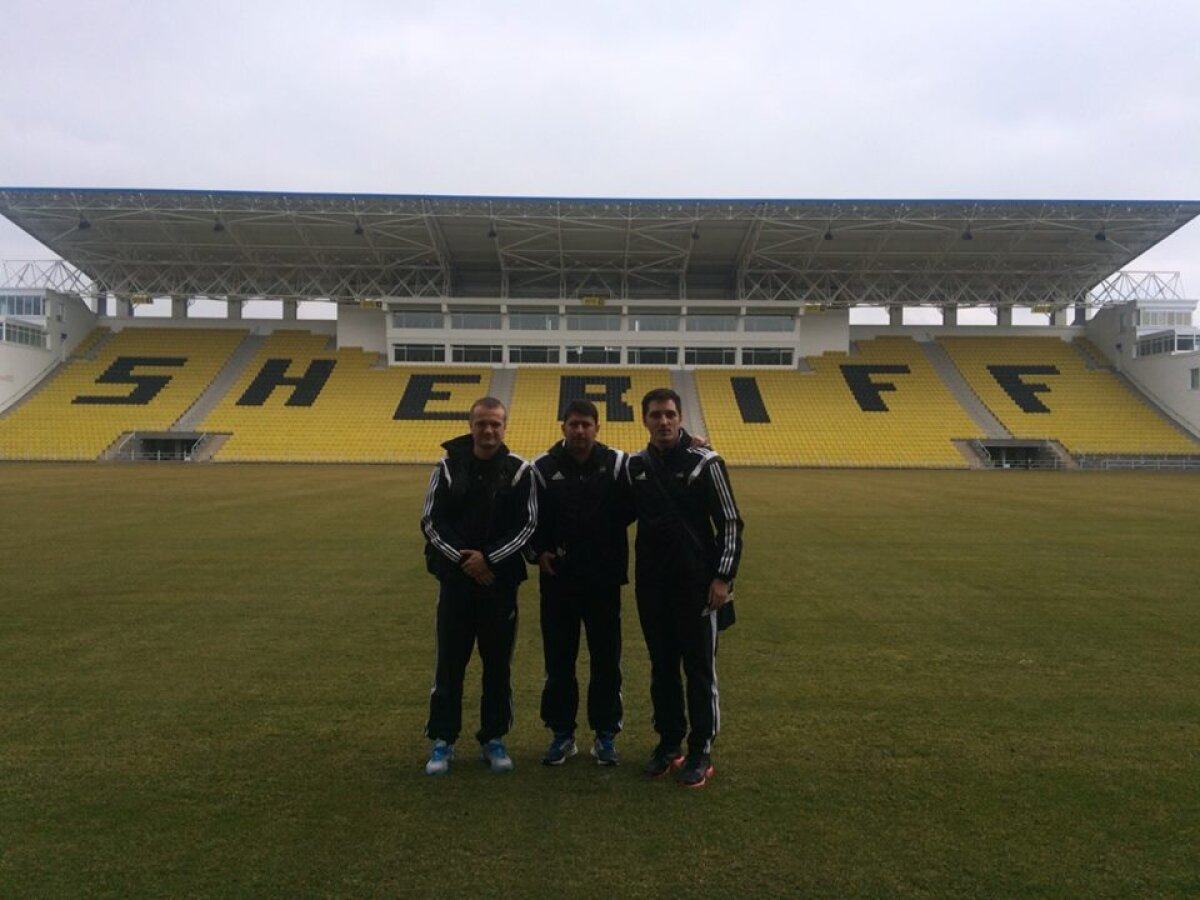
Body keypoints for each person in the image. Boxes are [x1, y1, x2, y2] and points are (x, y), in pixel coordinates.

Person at [625, 387, 744, 788]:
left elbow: (730, 522)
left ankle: (701, 750)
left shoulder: (705, 462)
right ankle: (669, 743)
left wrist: (723, 577)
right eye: (656, 415)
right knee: (662, 668)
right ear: (644, 419)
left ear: (680, 418)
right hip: (652, 585)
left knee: (699, 670)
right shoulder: (635, 466)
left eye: (670, 415)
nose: (663, 421)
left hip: (697, 586)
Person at [419, 396, 537, 775]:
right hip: (456, 584)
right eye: (482, 423)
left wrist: (489, 558)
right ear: (471, 425)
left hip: (499, 585)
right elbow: (431, 522)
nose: (489, 431)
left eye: (496, 424)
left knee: (497, 666)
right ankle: (443, 741)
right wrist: (464, 560)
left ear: (505, 427)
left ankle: (493, 738)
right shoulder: (448, 467)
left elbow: (527, 525)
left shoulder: (519, 471)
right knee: (449, 664)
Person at [528, 399, 633, 767]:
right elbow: (527, 519)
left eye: (586, 424)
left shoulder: (618, 464)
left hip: (604, 583)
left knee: (606, 661)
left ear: (597, 427)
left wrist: (696, 445)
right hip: (559, 584)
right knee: (560, 662)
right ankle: (562, 734)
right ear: (563, 427)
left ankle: (606, 735)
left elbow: (655, 474)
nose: (579, 431)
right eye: (573, 424)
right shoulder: (541, 468)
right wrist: (537, 552)